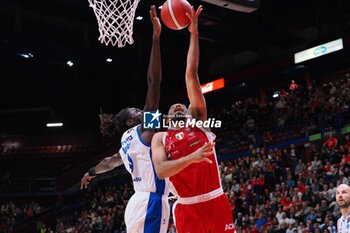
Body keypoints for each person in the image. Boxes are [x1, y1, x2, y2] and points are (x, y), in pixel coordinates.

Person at [80, 6, 170, 233]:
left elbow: (110, 162)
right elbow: (154, 82)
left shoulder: (127, 140)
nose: (140, 110)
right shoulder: (146, 131)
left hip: (136, 204)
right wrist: (156, 39)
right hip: (152, 201)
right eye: (135, 111)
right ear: (130, 121)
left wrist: (91, 172)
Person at [151, 6, 234, 233]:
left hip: (216, 200)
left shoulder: (197, 120)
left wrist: (194, 34)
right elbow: (160, 170)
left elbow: (191, 73)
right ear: (167, 119)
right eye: (174, 106)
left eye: (182, 105)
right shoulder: (160, 137)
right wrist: (193, 157)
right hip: (187, 208)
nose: (179, 105)